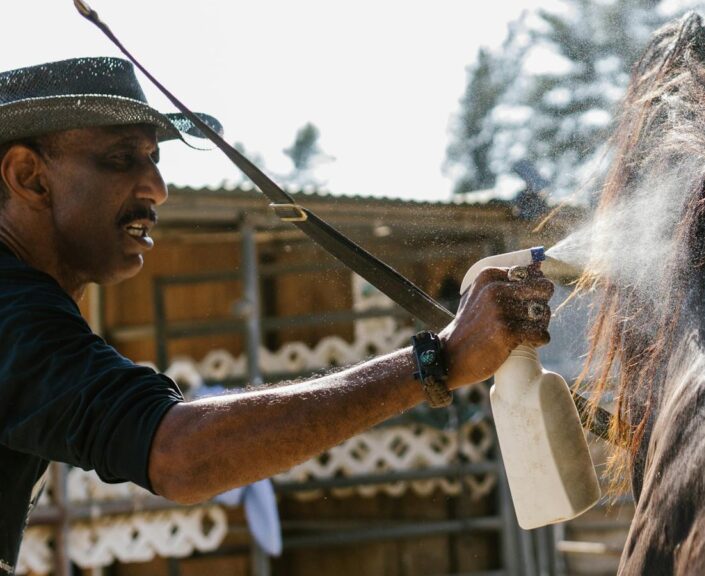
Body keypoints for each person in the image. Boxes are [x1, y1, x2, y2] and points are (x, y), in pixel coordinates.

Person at [0, 57, 554, 573]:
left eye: (155, 159)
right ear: (29, 177)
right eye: (122, 158)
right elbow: (176, 454)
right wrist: (440, 360)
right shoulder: (11, 307)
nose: (158, 189)